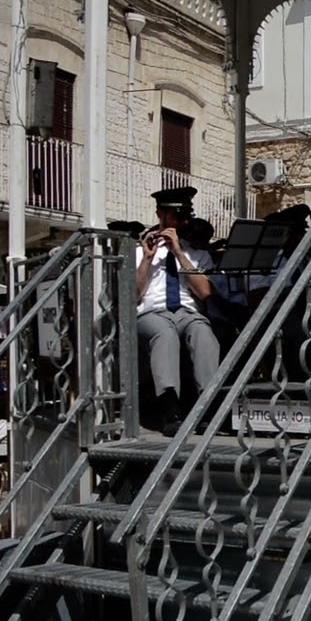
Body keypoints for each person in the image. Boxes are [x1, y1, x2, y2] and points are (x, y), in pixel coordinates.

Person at [135, 186, 220, 436]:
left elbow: (204, 293)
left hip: (186, 312)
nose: (182, 221)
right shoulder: (139, 251)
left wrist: (179, 254)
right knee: (165, 335)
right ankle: (170, 410)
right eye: (176, 216)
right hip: (153, 313)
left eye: (185, 216)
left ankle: (208, 406)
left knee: (203, 332)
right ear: (160, 214)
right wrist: (147, 260)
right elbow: (133, 295)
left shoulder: (197, 254)